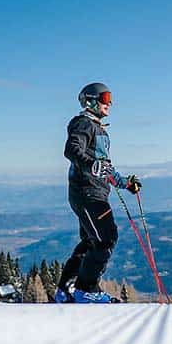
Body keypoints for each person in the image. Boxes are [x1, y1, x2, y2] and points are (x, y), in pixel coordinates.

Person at [57, 82, 141, 304]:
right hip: (87, 193)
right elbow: (72, 150)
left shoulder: (100, 130)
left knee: (91, 242)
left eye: (110, 98)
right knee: (106, 238)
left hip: (93, 192)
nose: (109, 104)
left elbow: (104, 166)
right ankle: (86, 290)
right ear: (90, 101)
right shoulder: (83, 124)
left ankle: (65, 289)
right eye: (105, 98)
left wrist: (125, 184)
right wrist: (90, 164)